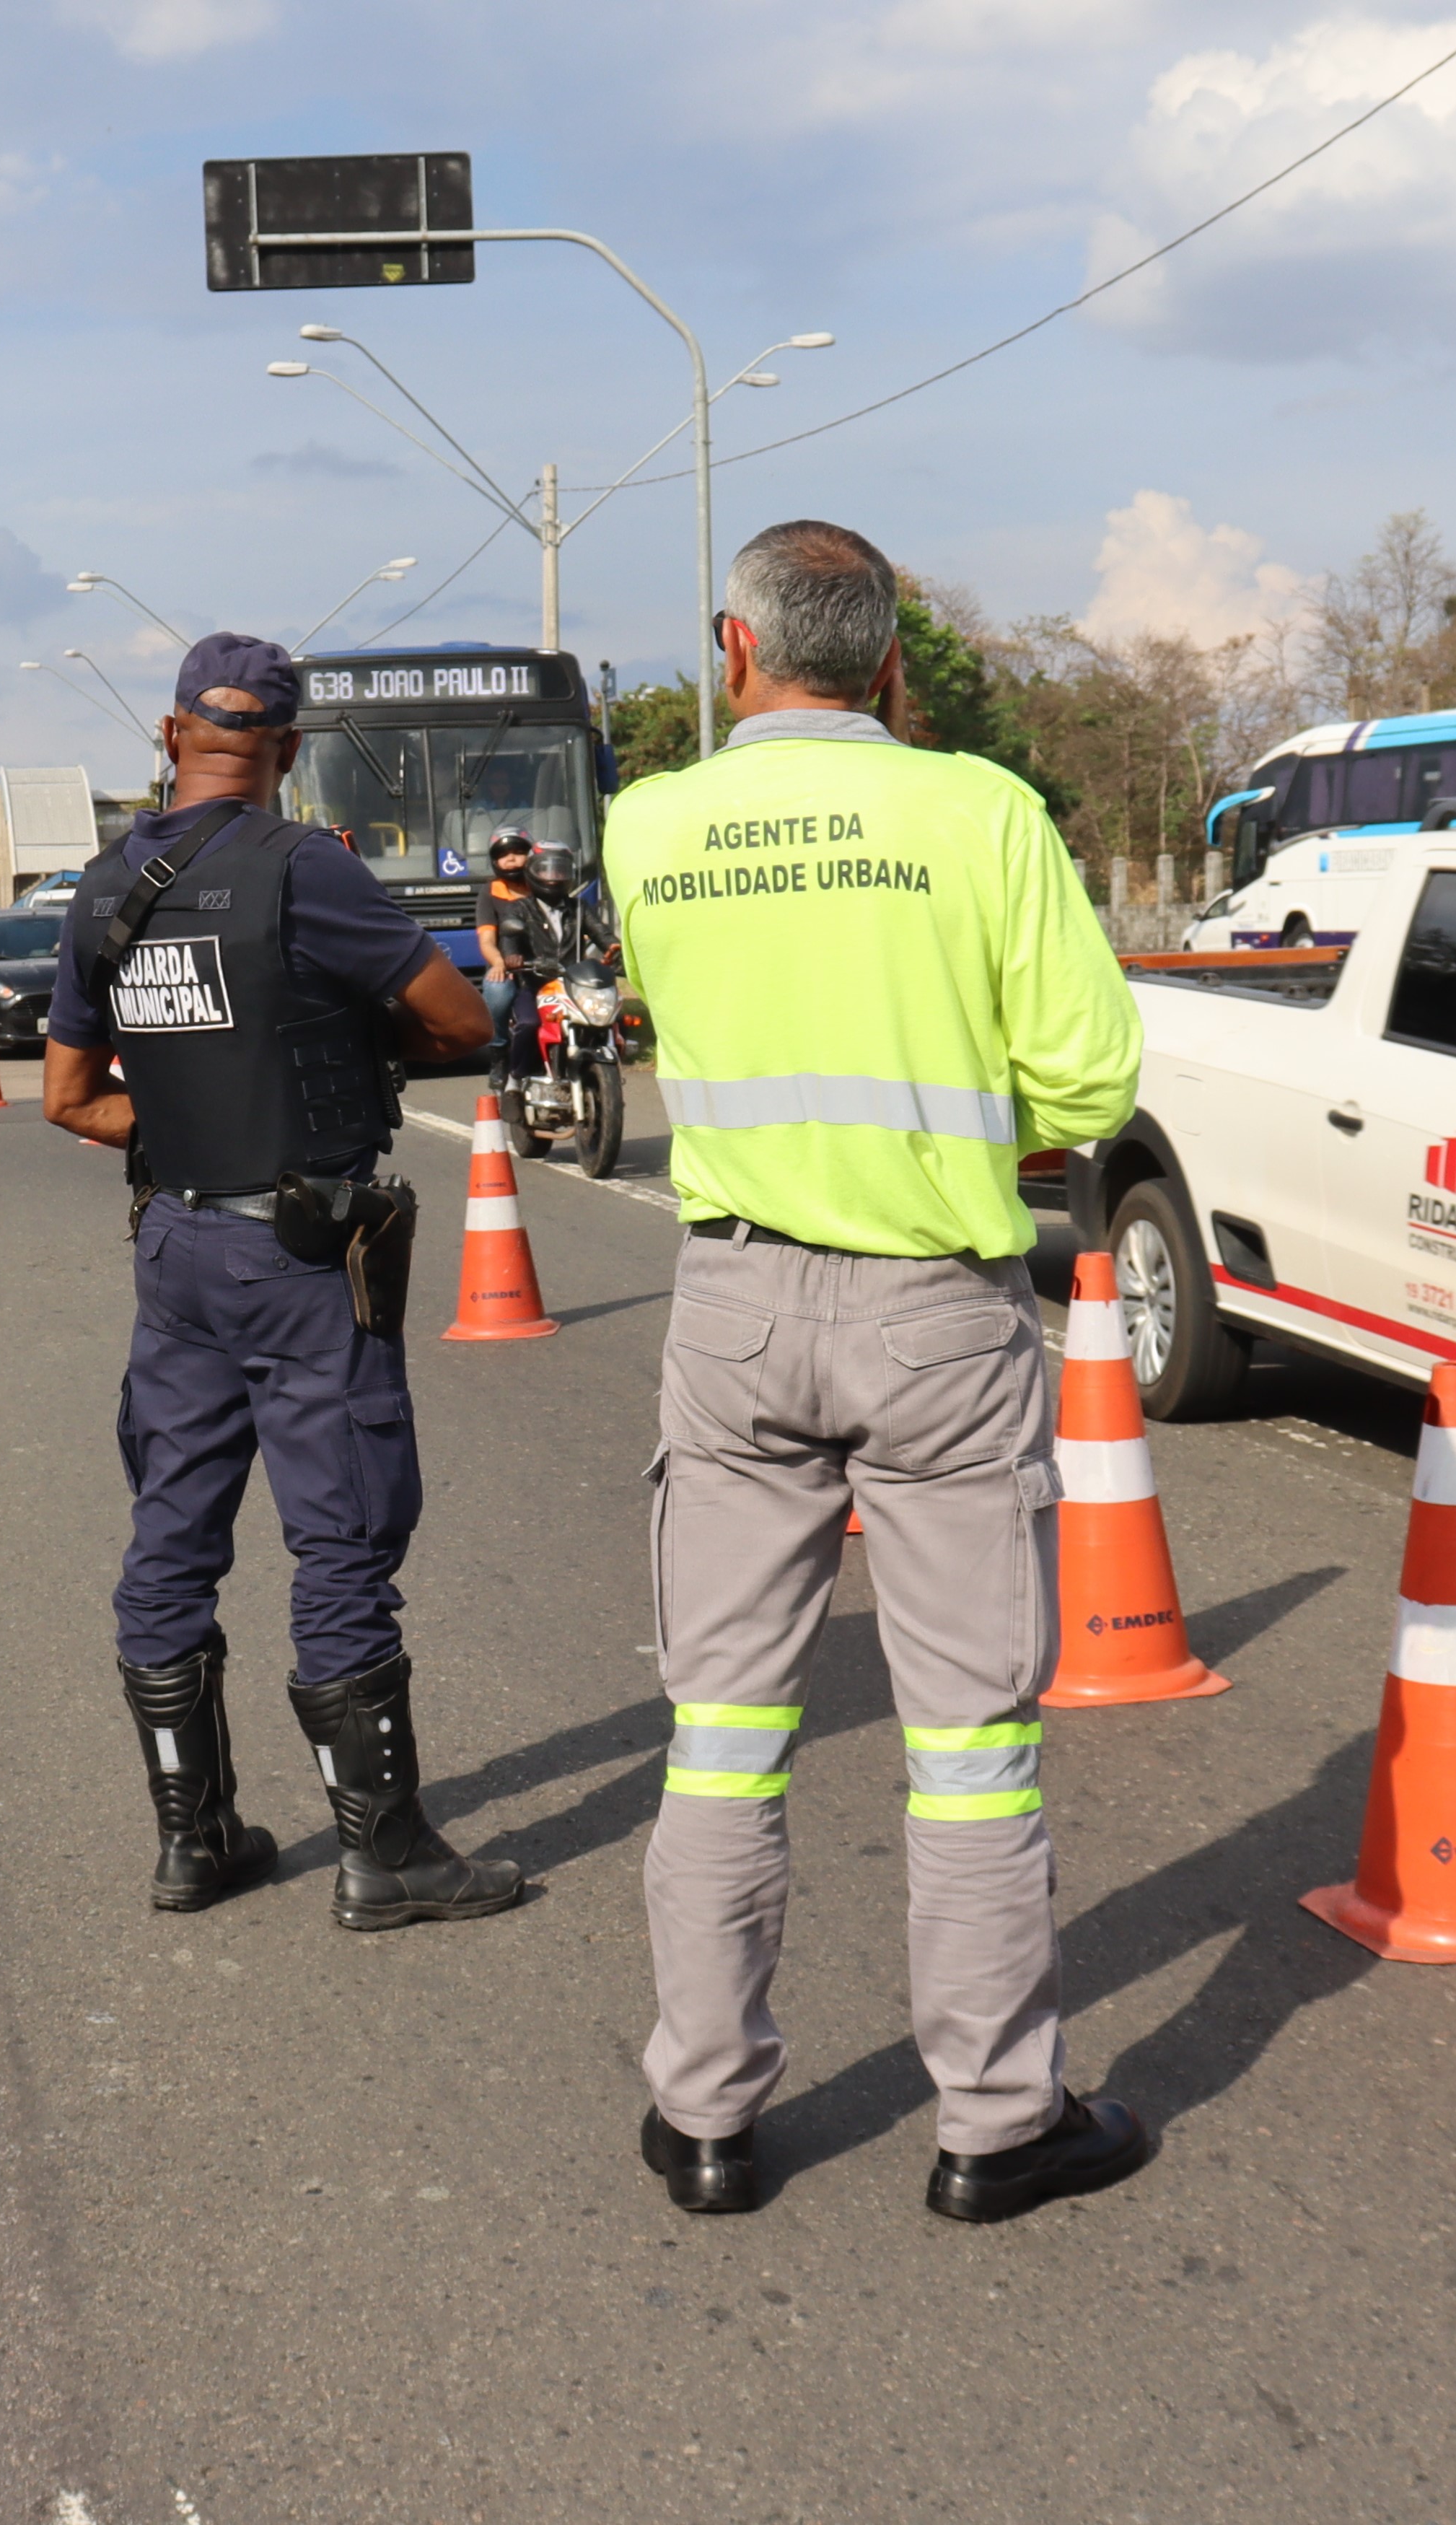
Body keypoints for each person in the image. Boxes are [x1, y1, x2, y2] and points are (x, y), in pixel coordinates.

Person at [602, 519, 1149, 2225]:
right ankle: (993, 2120)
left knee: (717, 1733)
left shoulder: (648, 824)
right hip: (934, 1311)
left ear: (731, 646)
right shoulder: (975, 812)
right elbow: (1085, 1087)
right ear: (893, 660)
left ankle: (703, 2116)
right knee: (970, 1742)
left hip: (733, 1310)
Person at [43, 632, 524, 1933]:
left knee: (172, 1536)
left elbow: (69, 1099)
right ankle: (387, 1854)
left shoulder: (100, 889)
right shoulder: (305, 866)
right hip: (301, 1251)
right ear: (290, 750)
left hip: (175, 1247)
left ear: (169, 733)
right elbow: (463, 1021)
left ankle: (192, 1841)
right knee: (343, 1534)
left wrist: (190, 1119)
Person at [492, 839, 621, 1095]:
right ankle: (516, 1079)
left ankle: (607, 1073)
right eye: (546, 870)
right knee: (528, 1024)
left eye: (560, 870)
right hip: (536, 986)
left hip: (573, 986)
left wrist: (614, 948)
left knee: (609, 1018)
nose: (553, 877)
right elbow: (509, 938)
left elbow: (601, 933)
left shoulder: (580, 908)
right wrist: (513, 957)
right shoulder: (519, 909)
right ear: (532, 872)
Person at [474, 828, 536, 1089]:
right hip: (508, 967)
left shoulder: (542, 884)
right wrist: (499, 963)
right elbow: (487, 940)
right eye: (504, 855)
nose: (512, 860)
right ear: (494, 861)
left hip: (543, 966)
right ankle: (499, 1053)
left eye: (519, 853)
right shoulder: (490, 892)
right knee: (497, 993)